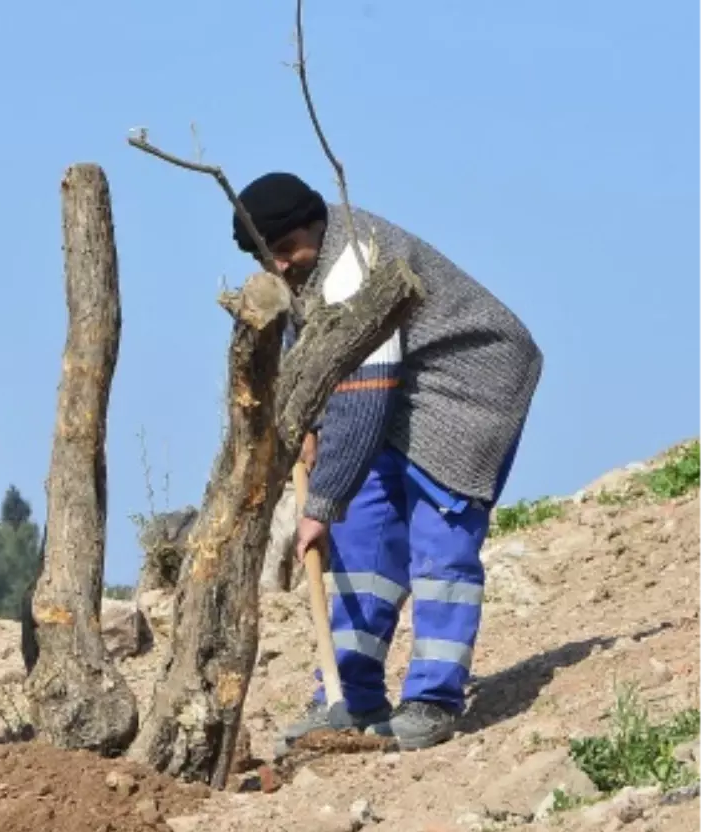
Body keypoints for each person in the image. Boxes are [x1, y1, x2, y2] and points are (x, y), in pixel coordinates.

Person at [231, 173, 542, 752]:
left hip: (468, 385)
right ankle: (347, 697)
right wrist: (310, 431)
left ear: (313, 226)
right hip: (400, 388)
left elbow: (366, 392)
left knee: (438, 534)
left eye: (283, 250)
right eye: (264, 257)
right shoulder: (300, 274)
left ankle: (433, 701)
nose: (277, 267)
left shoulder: (356, 262)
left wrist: (319, 504)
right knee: (364, 532)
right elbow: (319, 361)